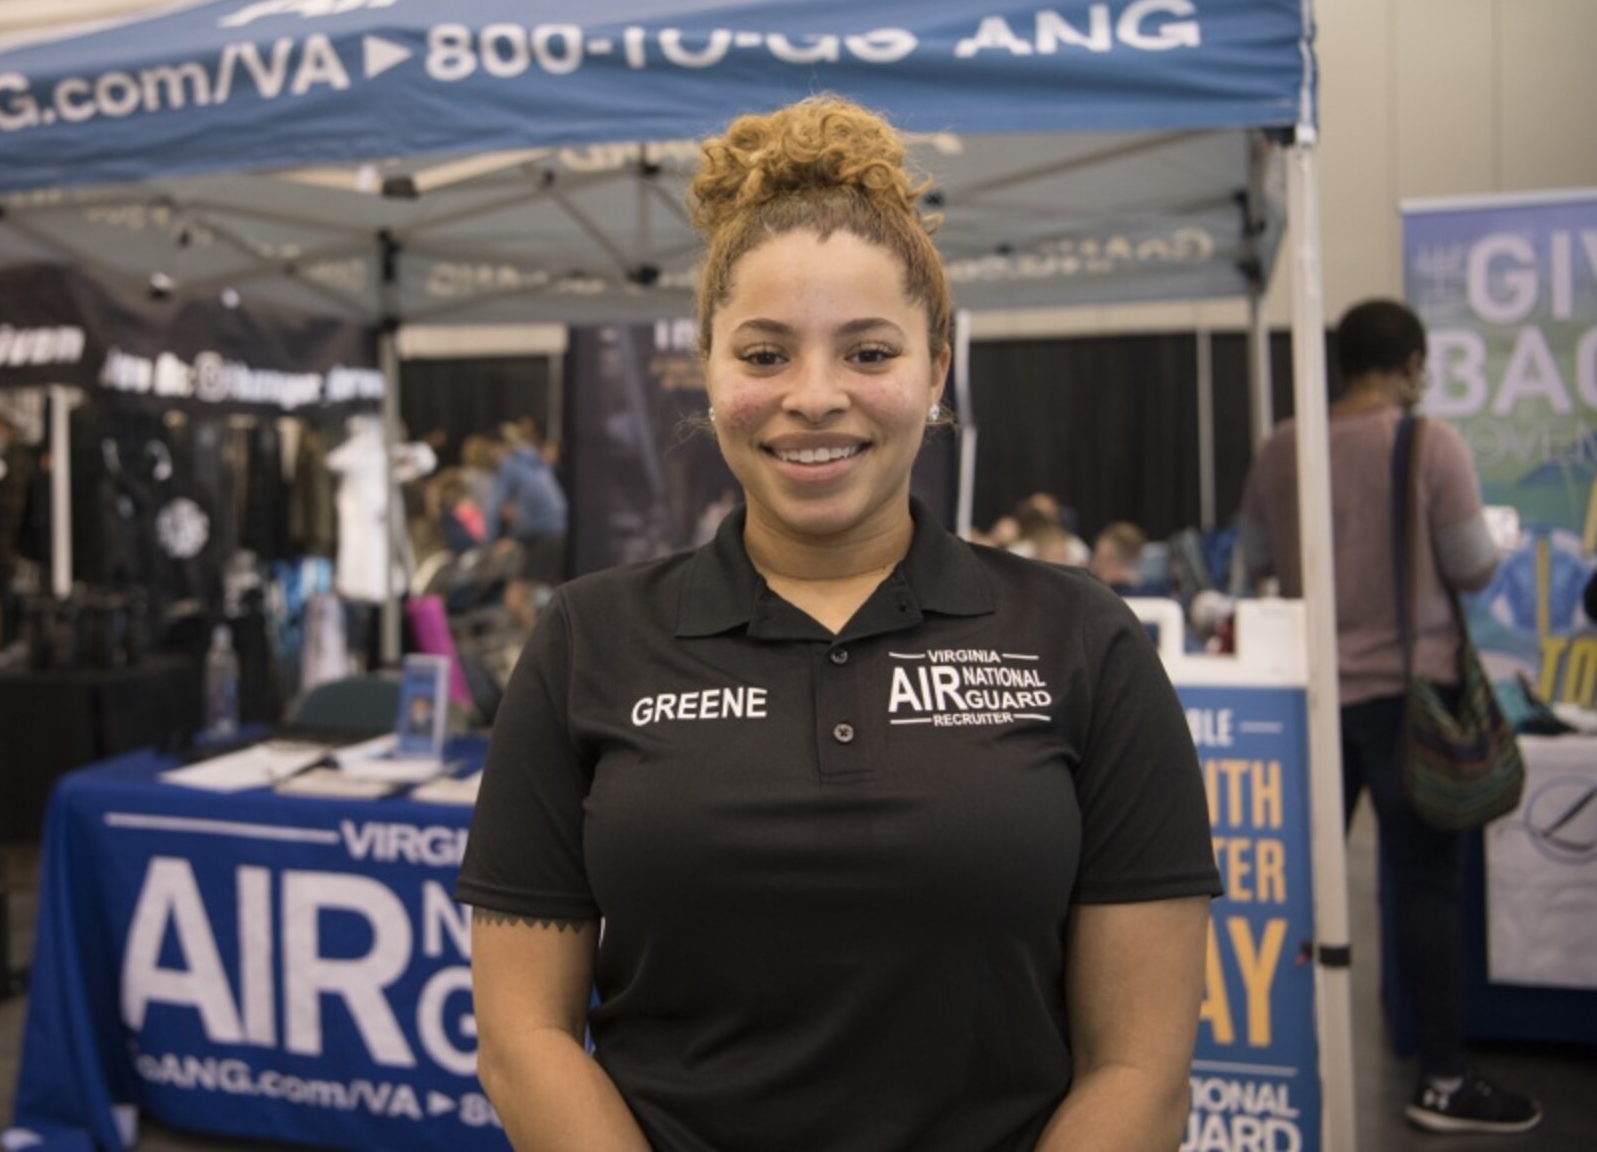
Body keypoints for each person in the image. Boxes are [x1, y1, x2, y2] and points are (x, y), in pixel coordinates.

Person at [458, 97, 1220, 1151]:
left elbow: (1139, 1066)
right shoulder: (587, 639)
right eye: (764, 355)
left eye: (867, 352)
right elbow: (520, 1035)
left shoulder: (1083, 639)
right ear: (709, 367)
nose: (813, 397)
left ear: (936, 369)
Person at [1238, 298, 1538, 1135]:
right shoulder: (1430, 442)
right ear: (1409, 364)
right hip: (1416, 699)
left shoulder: (1283, 447)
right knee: (1426, 889)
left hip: (1310, 700)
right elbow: (1471, 567)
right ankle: (1442, 1079)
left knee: (1299, 887)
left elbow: (1255, 560)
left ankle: (1294, 1063)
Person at [483, 421, 569, 633]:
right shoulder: (535, 461)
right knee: (548, 593)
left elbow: (494, 508)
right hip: (557, 530)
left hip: (540, 534)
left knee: (515, 596)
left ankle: (534, 652)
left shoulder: (510, 466)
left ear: (500, 446)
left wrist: (490, 544)